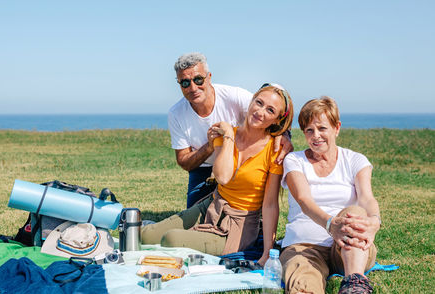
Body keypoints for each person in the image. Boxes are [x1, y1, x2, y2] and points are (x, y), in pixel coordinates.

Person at [143, 84, 294, 262]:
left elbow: (269, 205)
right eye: (259, 103)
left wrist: (267, 253)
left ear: (277, 120)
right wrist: (229, 136)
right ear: (251, 101)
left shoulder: (274, 150)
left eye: (270, 110)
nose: (260, 112)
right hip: (212, 205)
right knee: (147, 236)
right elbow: (222, 177)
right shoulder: (226, 135)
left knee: (171, 239)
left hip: (239, 224)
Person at [280, 97, 381, 294]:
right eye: (309, 130)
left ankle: (355, 284)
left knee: (355, 212)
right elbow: (304, 200)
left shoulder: (355, 160)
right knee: (303, 283)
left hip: (349, 247)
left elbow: (367, 198)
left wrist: (375, 222)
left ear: (336, 128)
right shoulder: (294, 160)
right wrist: (330, 225)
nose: (315, 136)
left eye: (322, 128)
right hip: (304, 245)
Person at [168, 52, 293, 208]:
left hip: (240, 166)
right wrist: (209, 147)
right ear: (179, 84)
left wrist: (285, 135)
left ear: (209, 77)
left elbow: (276, 106)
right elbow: (184, 161)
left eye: (198, 79)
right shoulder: (176, 113)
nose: (193, 87)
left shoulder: (234, 96)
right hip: (204, 170)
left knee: (253, 220)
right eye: (185, 83)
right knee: (192, 217)